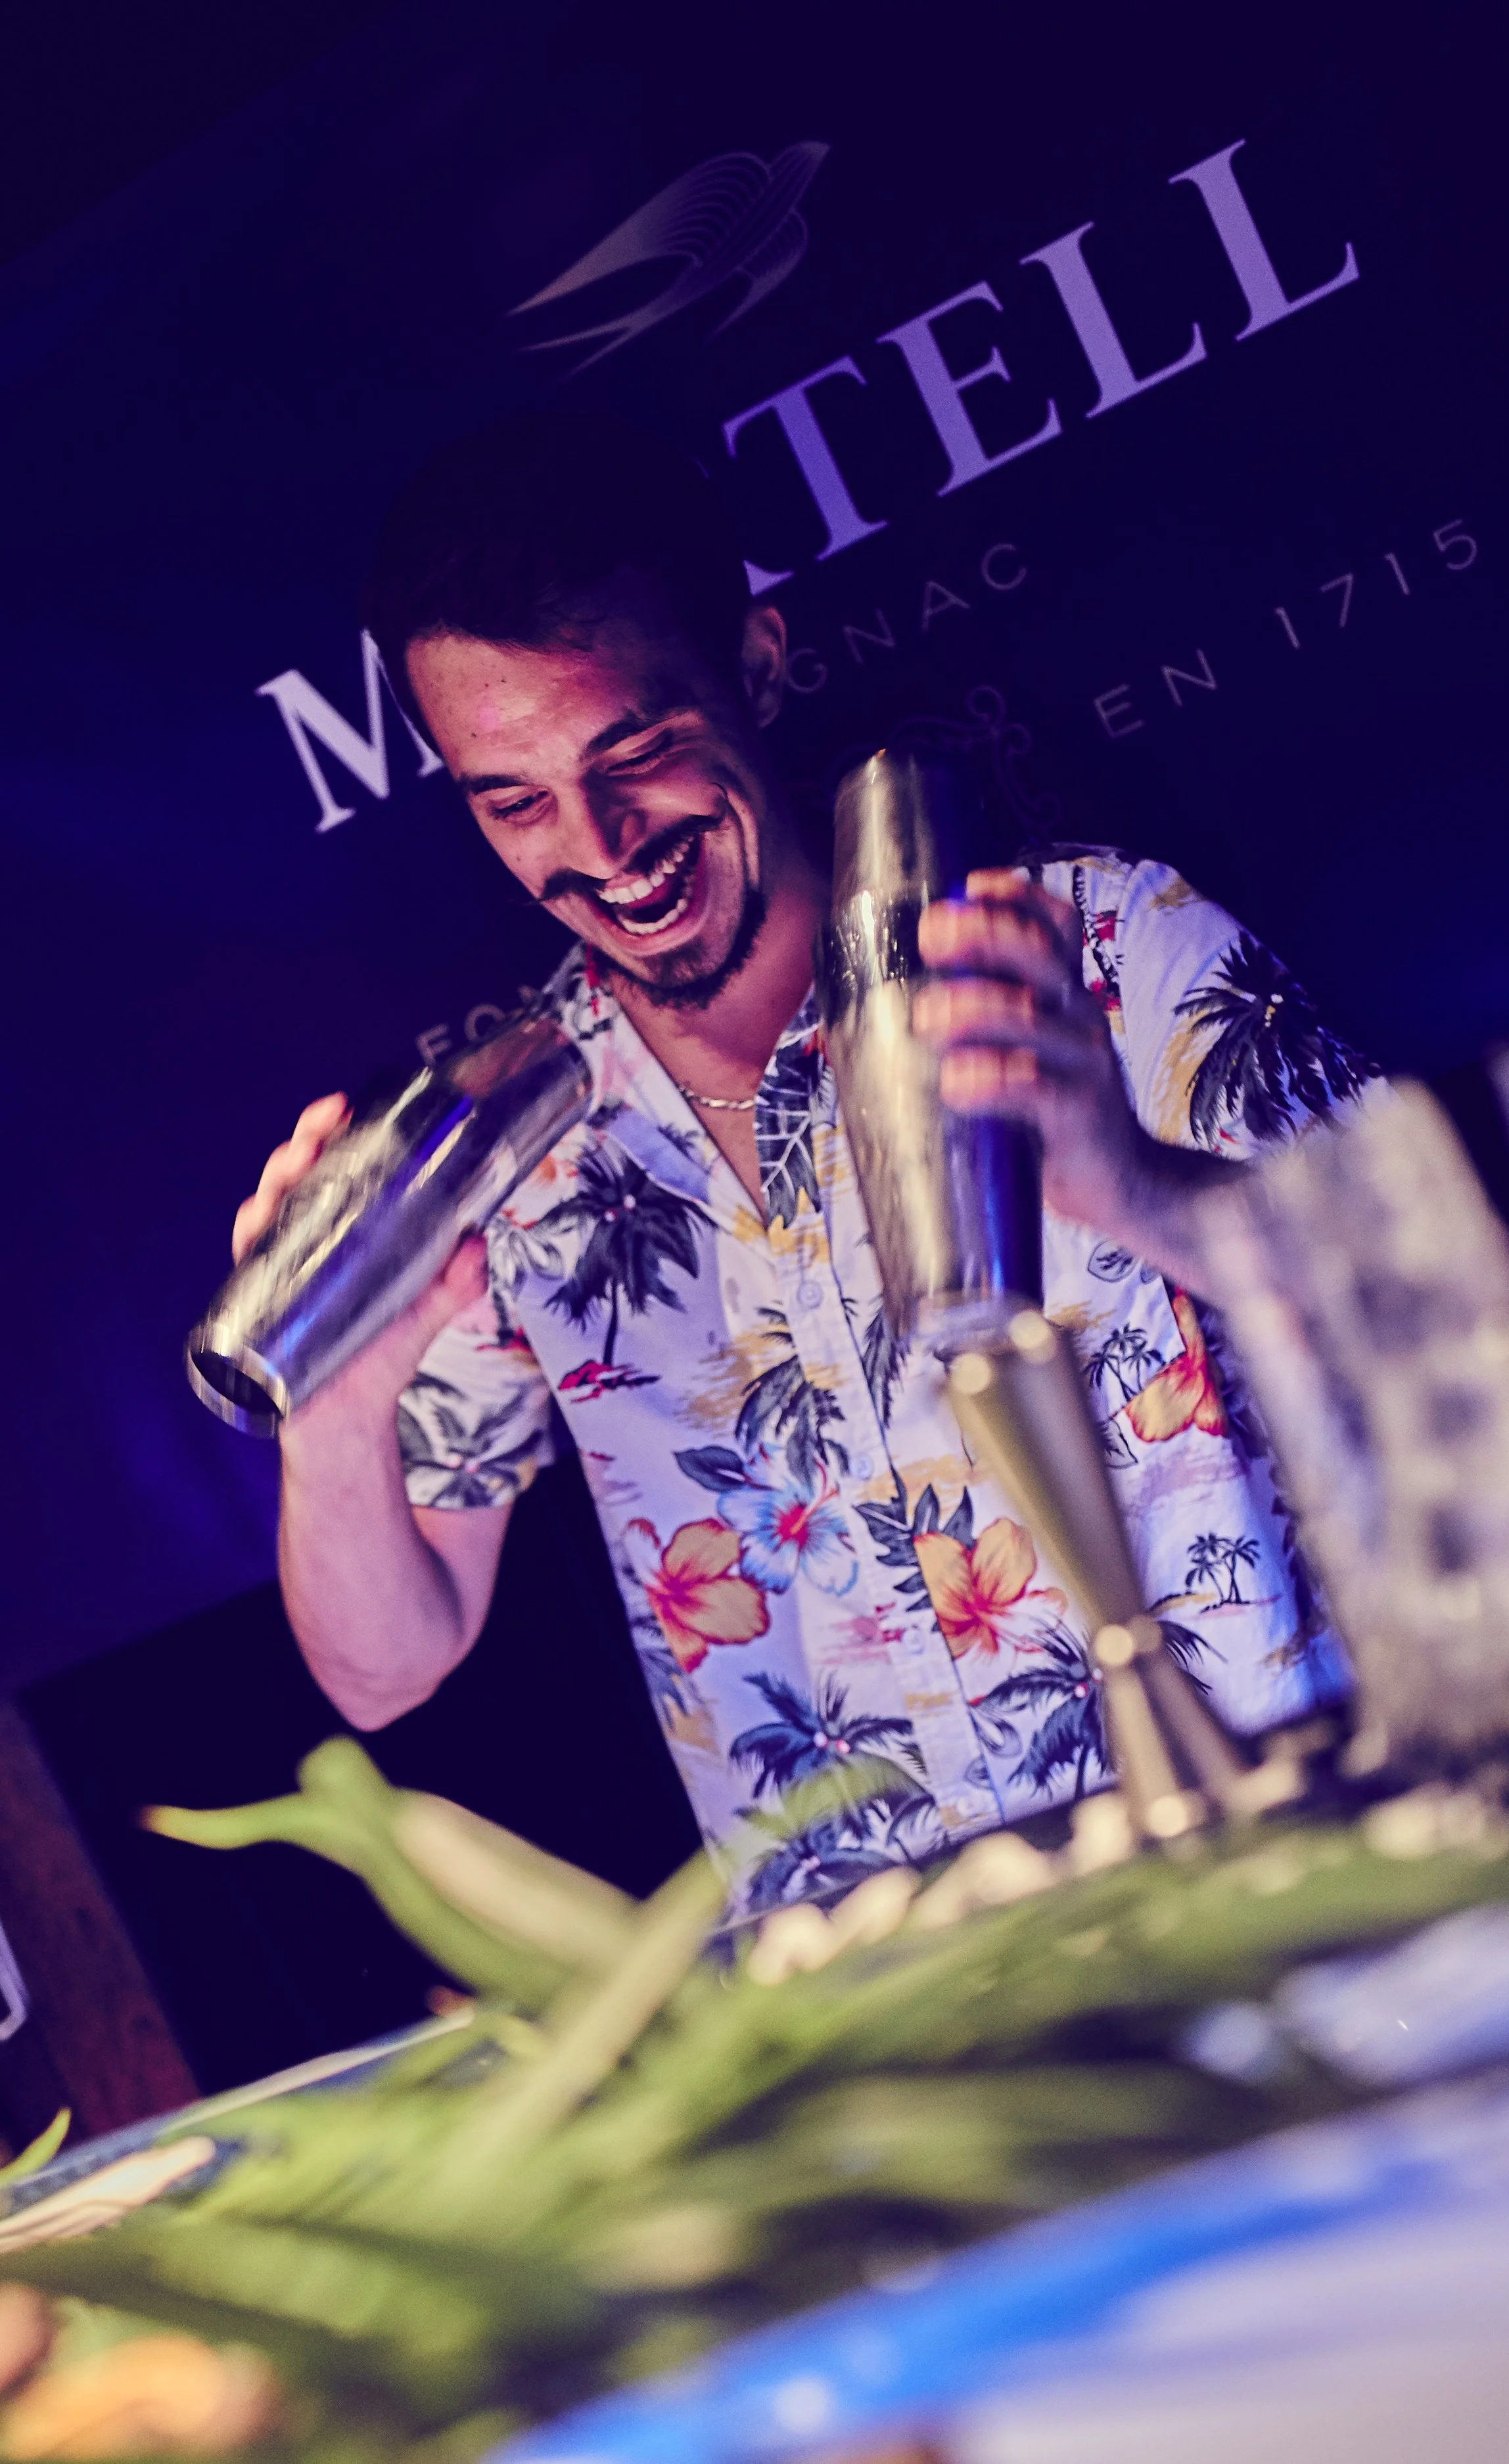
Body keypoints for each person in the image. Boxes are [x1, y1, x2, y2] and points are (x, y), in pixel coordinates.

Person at [235, 414, 1374, 1913]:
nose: (599, 845)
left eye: (634, 753)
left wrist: (1140, 1195)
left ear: (756, 669)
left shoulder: (1095, 949)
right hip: (885, 2043)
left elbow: (1443, 1312)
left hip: (1288, 1900)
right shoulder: (504, 1147)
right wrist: (339, 1409)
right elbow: (387, 1671)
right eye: (511, 802)